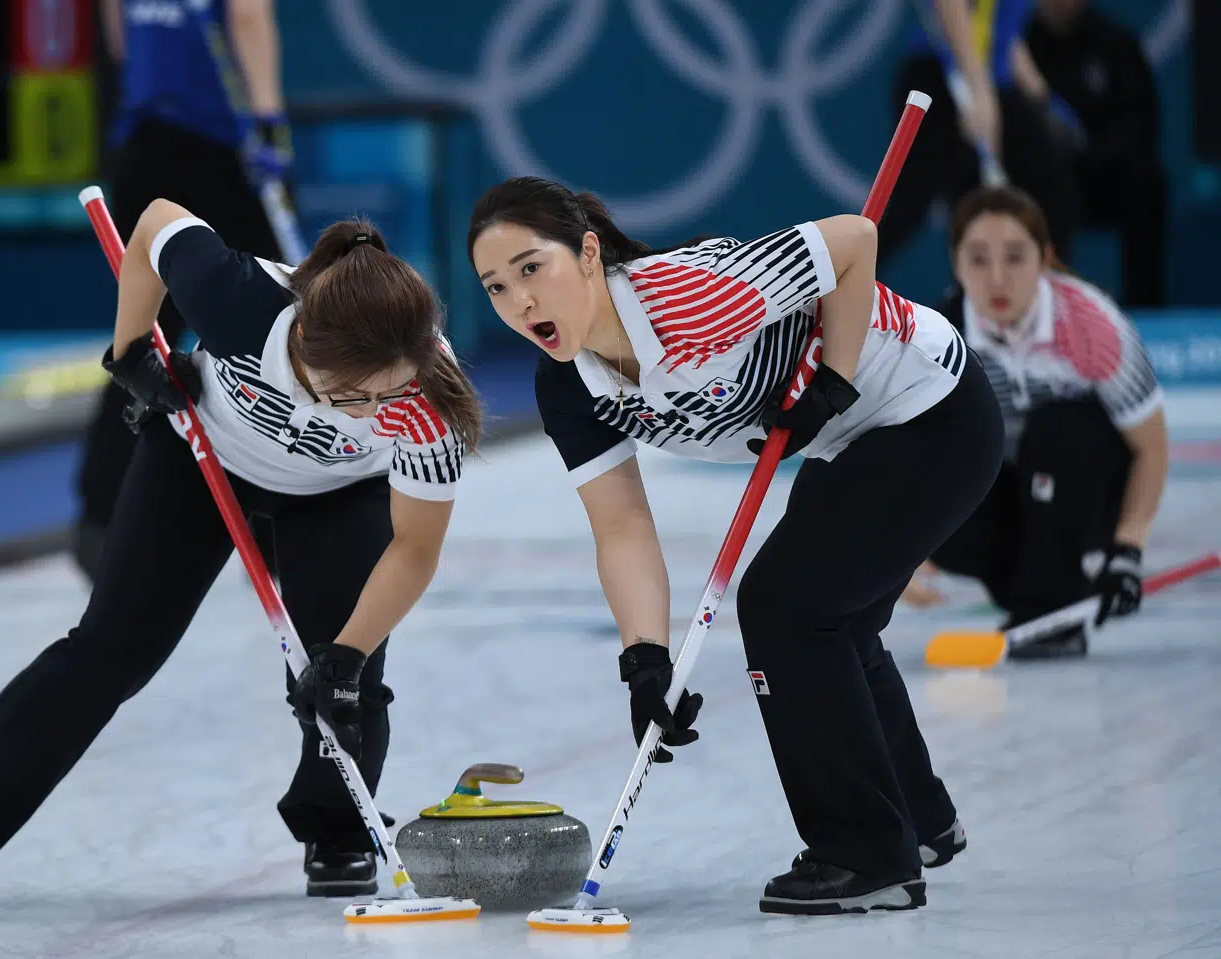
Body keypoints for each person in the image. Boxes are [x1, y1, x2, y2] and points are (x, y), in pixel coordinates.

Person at [0, 202, 483, 910]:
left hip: (341, 494)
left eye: (384, 395)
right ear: (302, 339)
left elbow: (416, 547)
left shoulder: (431, 397)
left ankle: (338, 830)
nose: (368, 414)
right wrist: (130, 355)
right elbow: (153, 225)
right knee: (106, 656)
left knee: (347, 683)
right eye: (347, 395)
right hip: (203, 456)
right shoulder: (241, 303)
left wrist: (347, 653)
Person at [468, 177, 1004, 915]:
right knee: (833, 619)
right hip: (851, 442)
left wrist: (836, 379)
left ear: (588, 253)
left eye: (533, 268)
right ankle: (921, 822)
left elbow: (854, 240)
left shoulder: (687, 296)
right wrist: (643, 660)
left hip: (930, 411)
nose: (520, 302)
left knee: (788, 610)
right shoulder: (568, 385)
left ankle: (866, 853)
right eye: (496, 286)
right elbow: (622, 524)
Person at [76, 0, 303, 581]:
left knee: (143, 333)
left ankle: (100, 513)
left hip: (142, 146)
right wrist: (270, 119)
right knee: (275, 329)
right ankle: (281, 523)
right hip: (219, 148)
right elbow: (249, 17)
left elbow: (120, 37)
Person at [901, 186, 1167, 658]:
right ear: (956, 264)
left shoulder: (1092, 326)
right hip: (1005, 495)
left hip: (1086, 486)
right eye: (978, 260)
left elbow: (1151, 448)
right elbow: (902, 456)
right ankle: (1043, 599)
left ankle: (1050, 595)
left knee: (1058, 429)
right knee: (943, 478)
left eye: (1016, 258)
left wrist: (1127, 551)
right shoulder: (936, 341)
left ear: (1045, 258)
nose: (997, 278)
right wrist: (898, 563)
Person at [882, 0, 1082, 268]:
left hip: (993, 80)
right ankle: (839, 285)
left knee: (1048, 194)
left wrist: (1038, 93)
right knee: (911, 206)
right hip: (946, 75)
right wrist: (977, 88)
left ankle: (1050, 298)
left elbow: (1001, 27)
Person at [1022, 0, 1167, 307]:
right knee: (1033, 191)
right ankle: (1042, 309)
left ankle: (1145, 308)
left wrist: (1092, 154)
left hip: (1105, 175)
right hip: (1044, 176)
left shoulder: (1115, 41)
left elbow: (1140, 121)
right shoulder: (1020, 45)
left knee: (1147, 185)